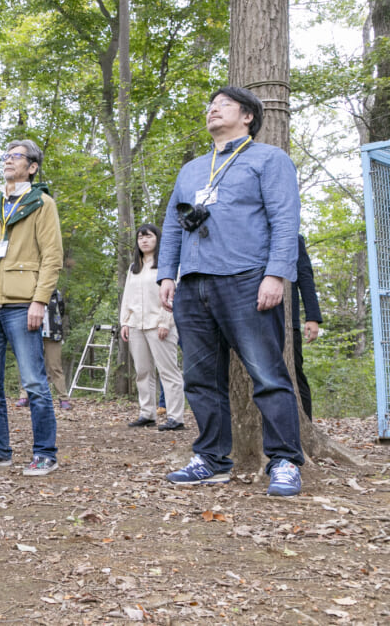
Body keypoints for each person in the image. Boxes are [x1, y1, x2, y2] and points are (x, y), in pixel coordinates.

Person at [159, 86, 303, 496]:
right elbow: (172, 225)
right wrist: (167, 274)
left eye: (223, 105)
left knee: (268, 375)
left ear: (248, 117)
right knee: (200, 378)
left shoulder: (269, 159)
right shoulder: (191, 170)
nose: (212, 109)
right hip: (193, 284)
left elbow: (284, 219)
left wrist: (276, 274)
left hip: (247, 280)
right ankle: (211, 459)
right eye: (210, 105)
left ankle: (286, 461)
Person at [0, 139, 64, 476]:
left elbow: (52, 258)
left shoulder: (42, 204)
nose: (8, 161)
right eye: (6, 156)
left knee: (34, 382)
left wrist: (39, 300)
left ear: (32, 167)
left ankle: (45, 454)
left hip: (23, 306)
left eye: (16, 157)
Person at [120, 223, 185, 431]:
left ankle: (176, 417)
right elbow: (127, 297)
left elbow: (173, 295)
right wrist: (125, 321)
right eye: (140, 237)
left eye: (148, 236)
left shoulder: (167, 265)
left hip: (159, 325)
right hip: (136, 324)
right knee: (143, 371)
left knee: (168, 371)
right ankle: (147, 413)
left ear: (157, 239)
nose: (144, 240)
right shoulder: (134, 268)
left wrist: (166, 320)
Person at [15, 288, 71, 410]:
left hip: (53, 334)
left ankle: (64, 399)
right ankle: (24, 396)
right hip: (31, 331)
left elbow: (61, 311)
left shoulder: (56, 294)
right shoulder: (28, 291)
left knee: (55, 366)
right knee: (28, 364)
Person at [292, 233, 322, 420]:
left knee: (295, 372)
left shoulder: (293, 238)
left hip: (287, 321)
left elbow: (305, 276)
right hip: (247, 319)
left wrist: (312, 317)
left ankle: (305, 425)